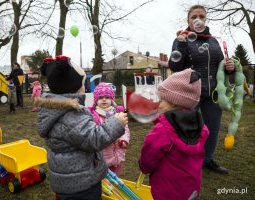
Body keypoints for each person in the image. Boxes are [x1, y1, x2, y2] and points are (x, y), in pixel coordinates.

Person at [35, 55, 128, 200]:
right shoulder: (70, 115)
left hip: (67, 179)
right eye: (83, 84)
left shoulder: (56, 110)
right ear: (74, 87)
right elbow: (94, 139)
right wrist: (116, 123)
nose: (85, 87)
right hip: (81, 184)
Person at [168, 4, 234, 174]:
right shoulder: (181, 39)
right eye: (194, 16)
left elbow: (219, 65)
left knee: (212, 129)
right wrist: (181, 45)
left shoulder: (213, 41)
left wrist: (228, 67)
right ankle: (186, 161)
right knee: (189, 130)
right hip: (191, 94)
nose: (198, 19)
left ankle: (207, 159)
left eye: (202, 16)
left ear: (206, 19)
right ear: (188, 20)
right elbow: (174, 66)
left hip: (213, 94)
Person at [139, 69, 209, 200]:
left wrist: (143, 167)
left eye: (161, 100)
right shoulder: (200, 126)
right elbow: (174, 127)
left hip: (167, 192)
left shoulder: (161, 132)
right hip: (191, 190)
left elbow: (147, 161)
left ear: (173, 102)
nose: (158, 103)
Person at [88, 82, 130, 176]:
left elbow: (125, 129)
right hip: (103, 158)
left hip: (117, 156)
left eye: (107, 97)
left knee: (117, 180)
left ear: (112, 99)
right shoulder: (94, 116)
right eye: (100, 97)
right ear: (95, 100)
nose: (104, 100)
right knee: (105, 182)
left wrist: (124, 140)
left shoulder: (118, 114)